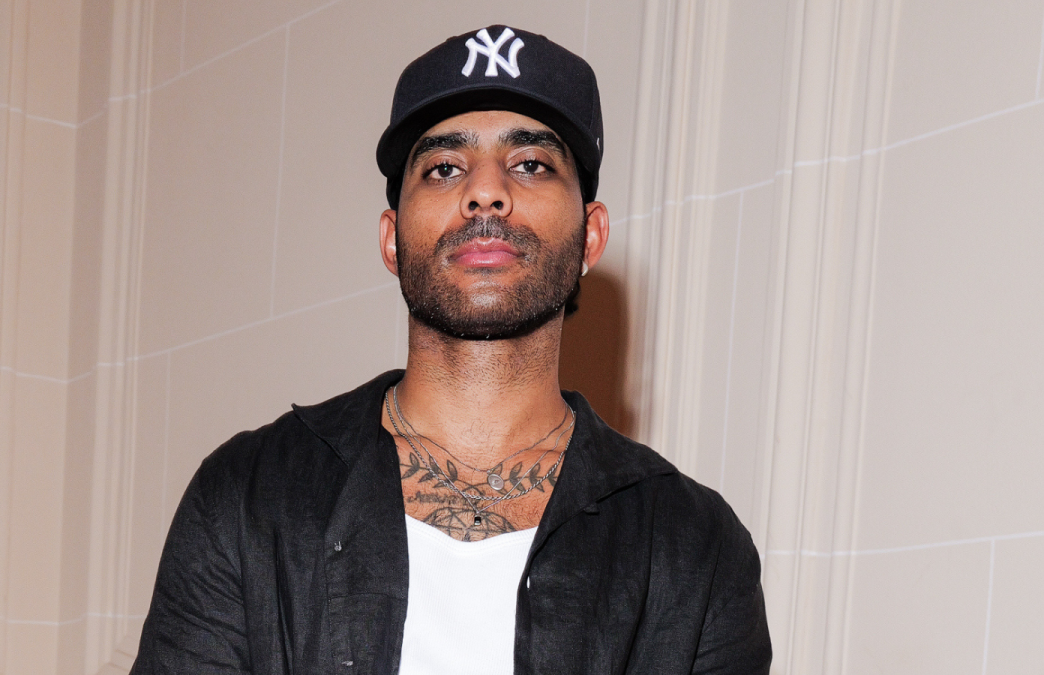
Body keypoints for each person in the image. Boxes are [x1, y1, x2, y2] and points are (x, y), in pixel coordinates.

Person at [131, 25, 770, 674]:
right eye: (444, 168)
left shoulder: (697, 548)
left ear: (590, 236)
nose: (485, 192)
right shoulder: (248, 496)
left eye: (531, 164)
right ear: (392, 240)